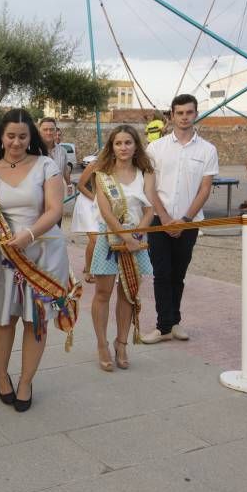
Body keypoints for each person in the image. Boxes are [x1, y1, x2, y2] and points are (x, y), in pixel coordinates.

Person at [0, 109, 77, 413]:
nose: (16, 142)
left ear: (31, 138)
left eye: (22, 136)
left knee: (35, 320)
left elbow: (54, 210)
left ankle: (26, 381)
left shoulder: (46, 165)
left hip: (42, 255)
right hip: (2, 258)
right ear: (1, 136)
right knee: (3, 319)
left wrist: (29, 234)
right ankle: (2, 378)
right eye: (10, 136)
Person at [142, 93, 218, 344]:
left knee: (178, 274)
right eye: (180, 113)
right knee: (161, 273)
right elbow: (150, 188)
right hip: (158, 220)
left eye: (189, 112)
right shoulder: (155, 148)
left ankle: (174, 322)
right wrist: (164, 218)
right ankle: (162, 326)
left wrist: (184, 219)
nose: (184, 117)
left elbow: (204, 189)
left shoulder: (208, 150)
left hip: (190, 222)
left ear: (196, 114)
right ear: (171, 115)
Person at [90, 125, 155, 371]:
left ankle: (122, 343)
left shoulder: (145, 172)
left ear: (136, 145)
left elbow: (150, 208)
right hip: (110, 240)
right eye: (118, 143)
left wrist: (137, 234)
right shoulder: (102, 173)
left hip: (137, 239)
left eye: (128, 142)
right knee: (103, 293)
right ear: (112, 146)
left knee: (128, 294)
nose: (124, 147)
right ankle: (101, 344)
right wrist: (125, 237)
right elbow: (106, 212)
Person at [71, 160, 100, 283]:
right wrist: (95, 199)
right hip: (87, 202)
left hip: (101, 203)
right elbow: (80, 186)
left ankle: (88, 264)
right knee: (95, 239)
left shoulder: (117, 166)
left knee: (100, 238)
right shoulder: (94, 164)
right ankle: (88, 270)